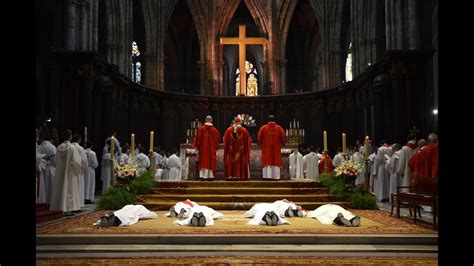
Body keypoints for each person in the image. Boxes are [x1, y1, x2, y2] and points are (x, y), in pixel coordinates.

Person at [49, 129, 83, 216]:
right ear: (70, 136)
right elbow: (76, 161)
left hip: (60, 173)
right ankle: (68, 209)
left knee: (61, 189)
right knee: (69, 191)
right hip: (70, 172)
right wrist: (78, 169)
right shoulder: (72, 147)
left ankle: (60, 208)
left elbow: (55, 161)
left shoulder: (59, 147)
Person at [257, 115, 286, 180]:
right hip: (276, 150)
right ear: (274, 120)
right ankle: (275, 176)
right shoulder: (279, 128)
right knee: (275, 160)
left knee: (267, 160)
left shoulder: (263, 128)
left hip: (266, 149)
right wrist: (283, 143)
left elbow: (259, 139)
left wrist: (260, 143)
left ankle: (267, 176)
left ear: (268, 120)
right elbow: (283, 139)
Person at [193, 115, 221, 180]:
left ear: (205, 120)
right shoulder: (214, 130)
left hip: (203, 150)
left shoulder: (201, 129)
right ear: (211, 120)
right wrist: (215, 146)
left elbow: (197, 140)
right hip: (211, 150)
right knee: (210, 161)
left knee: (203, 161)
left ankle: (203, 176)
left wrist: (198, 148)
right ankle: (210, 176)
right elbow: (218, 138)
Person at [37, 136, 57, 205]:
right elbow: (55, 160)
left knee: (44, 186)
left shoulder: (39, 146)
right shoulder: (52, 147)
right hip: (51, 168)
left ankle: (43, 201)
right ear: (51, 140)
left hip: (42, 168)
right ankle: (50, 201)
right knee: (50, 186)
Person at [71, 134, 88, 208]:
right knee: (79, 187)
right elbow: (84, 160)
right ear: (79, 140)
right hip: (79, 170)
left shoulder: (69, 147)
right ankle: (78, 204)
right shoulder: (80, 148)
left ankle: (72, 204)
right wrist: (84, 169)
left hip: (70, 171)